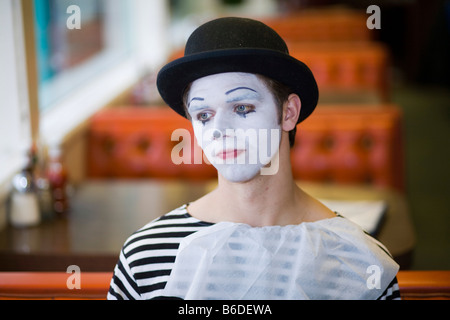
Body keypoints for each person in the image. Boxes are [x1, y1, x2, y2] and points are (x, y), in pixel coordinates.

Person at [108, 17, 400, 300]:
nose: (219, 131)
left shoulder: (360, 263)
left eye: (242, 108)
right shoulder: (145, 256)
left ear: (288, 113)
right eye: (204, 115)